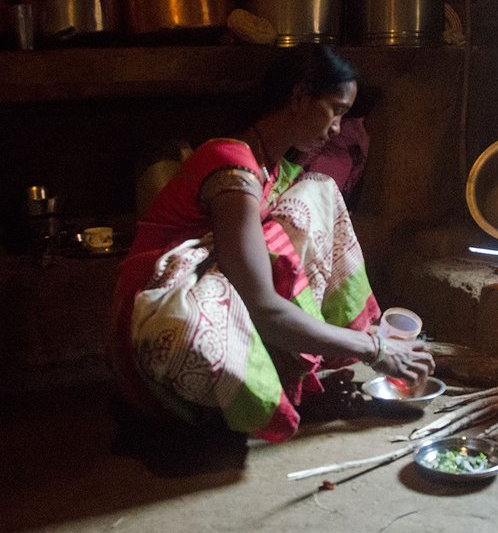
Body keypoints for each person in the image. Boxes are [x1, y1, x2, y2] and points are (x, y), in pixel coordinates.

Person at [110, 44, 434, 442]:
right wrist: (375, 348)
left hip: (217, 290)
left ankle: (289, 377)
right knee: (202, 324)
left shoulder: (274, 170)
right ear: (298, 97)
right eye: (335, 109)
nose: (336, 128)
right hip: (159, 313)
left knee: (318, 193)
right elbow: (263, 305)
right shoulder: (230, 163)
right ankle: (194, 404)